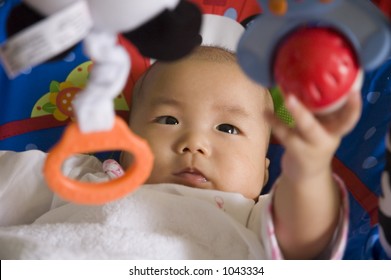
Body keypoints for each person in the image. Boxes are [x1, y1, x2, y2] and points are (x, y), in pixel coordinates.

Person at [0, 46, 361, 260]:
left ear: (264, 174)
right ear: (127, 144)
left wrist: (308, 173)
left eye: (228, 128)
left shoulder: (252, 216)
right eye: (168, 119)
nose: (194, 143)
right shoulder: (78, 177)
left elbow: (307, 240)